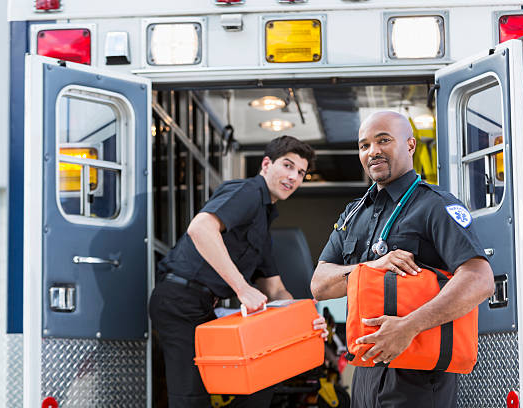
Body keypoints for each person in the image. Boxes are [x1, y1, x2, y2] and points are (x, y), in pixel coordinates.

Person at [311, 111, 495, 408]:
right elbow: (319, 285)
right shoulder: (354, 214)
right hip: (367, 372)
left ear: (410, 145)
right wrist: (369, 267)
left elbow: (480, 279)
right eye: (364, 145)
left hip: (419, 376)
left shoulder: (435, 205)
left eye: (383, 140)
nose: (373, 151)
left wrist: (408, 326)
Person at [150, 135, 328, 408]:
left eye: (301, 173)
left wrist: (307, 321)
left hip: (203, 308)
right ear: (266, 164)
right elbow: (200, 228)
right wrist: (242, 289)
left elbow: (276, 289)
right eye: (288, 166)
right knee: (191, 399)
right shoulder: (247, 192)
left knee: (264, 376)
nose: (294, 177)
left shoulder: (264, 224)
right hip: (180, 300)